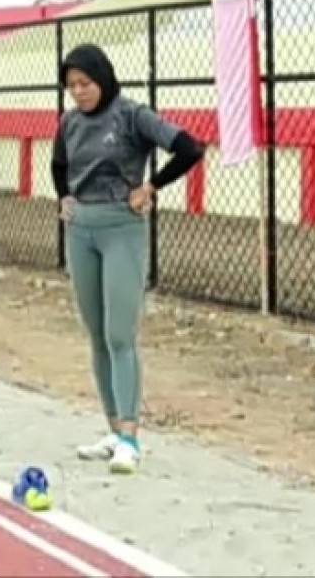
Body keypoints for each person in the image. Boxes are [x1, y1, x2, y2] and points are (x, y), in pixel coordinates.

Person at [50, 43, 205, 475]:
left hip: (122, 228)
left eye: (85, 83)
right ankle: (114, 429)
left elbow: (189, 148)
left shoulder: (132, 115)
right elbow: (59, 165)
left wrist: (150, 186)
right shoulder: (70, 122)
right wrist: (64, 197)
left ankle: (131, 439)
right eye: (71, 86)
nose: (79, 92)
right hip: (81, 230)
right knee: (97, 334)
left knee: (120, 333)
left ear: (103, 78)